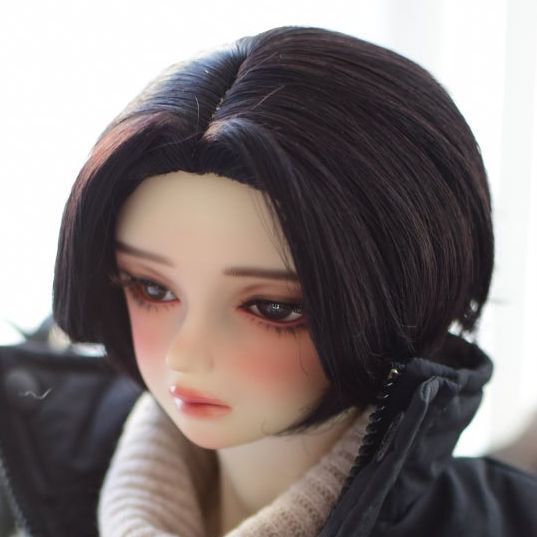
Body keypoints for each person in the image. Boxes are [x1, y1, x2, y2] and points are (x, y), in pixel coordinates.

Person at [1, 25, 536, 537]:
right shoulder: (29, 477)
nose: (185, 356)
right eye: (152, 289)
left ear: (402, 292)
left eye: (272, 307)